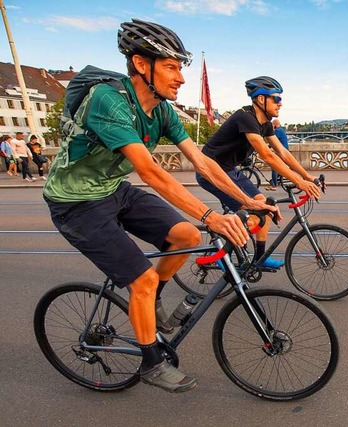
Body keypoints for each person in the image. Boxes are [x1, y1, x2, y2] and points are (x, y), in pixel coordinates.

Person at [43, 19, 275, 394]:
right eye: (171, 67)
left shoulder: (163, 111)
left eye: (181, 68)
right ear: (140, 64)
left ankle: (149, 305)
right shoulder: (109, 99)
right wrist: (211, 216)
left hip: (112, 190)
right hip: (75, 202)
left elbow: (203, 163)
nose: (180, 78)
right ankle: (151, 362)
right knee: (143, 279)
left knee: (184, 235)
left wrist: (248, 201)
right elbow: (149, 171)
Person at [197, 76, 321, 269]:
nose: (280, 104)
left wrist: (307, 176)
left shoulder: (266, 123)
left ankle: (259, 259)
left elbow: (282, 152)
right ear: (260, 99)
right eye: (276, 99)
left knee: (266, 206)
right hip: (211, 172)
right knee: (252, 214)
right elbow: (267, 155)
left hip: (230, 170)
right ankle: (221, 252)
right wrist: (299, 182)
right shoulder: (245, 117)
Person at [265, 118, 289, 191]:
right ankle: (279, 177)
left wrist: (267, 146)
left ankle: (274, 186)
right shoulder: (281, 130)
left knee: (274, 168)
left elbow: (273, 141)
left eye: (272, 125)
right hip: (283, 151)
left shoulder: (278, 131)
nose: (272, 126)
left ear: (275, 124)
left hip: (281, 152)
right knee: (278, 167)